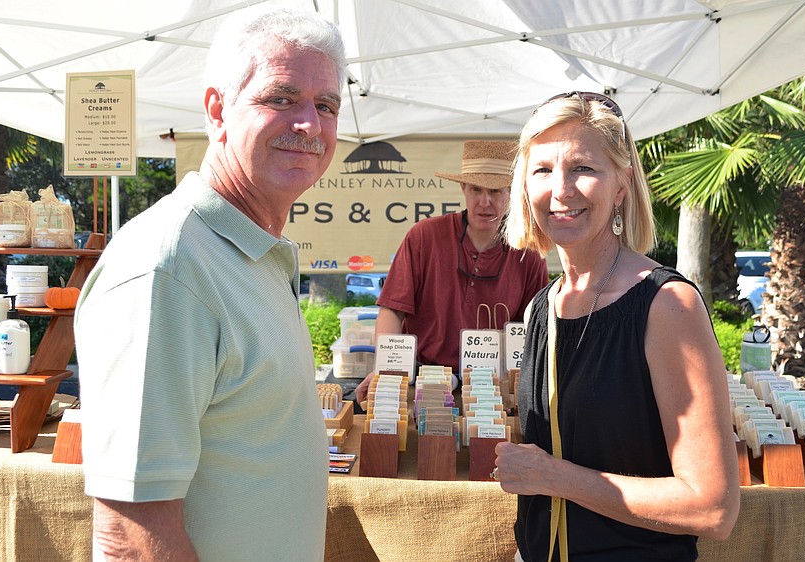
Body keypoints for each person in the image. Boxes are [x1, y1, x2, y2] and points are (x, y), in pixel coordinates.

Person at [74, 8, 345, 561]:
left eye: (325, 105)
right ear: (217, 111)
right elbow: (130, 533)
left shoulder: (249, 251)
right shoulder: (167, 267)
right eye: (281, 98)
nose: (310, 125)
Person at [494, 92, 740, 561]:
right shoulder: (542, 308)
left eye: (583, 168)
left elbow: (713, 508)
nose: (561, 189)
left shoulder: (667, 306)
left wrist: (553, 476)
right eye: (542, 170)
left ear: (621, 186)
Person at [354, 140, 549, 405]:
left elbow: (532, 330)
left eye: (495, 191)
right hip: (424, 379)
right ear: (463, 188)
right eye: (476, 189)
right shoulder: (425, 236)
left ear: (512, 192)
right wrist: (385, 369)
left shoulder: (529, 251)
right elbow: (392, 309)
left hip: (493, 386)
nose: (485, 201)